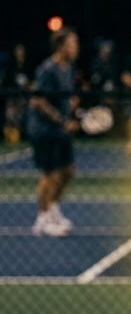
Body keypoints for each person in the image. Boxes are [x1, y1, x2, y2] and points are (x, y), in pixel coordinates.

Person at [26, 27, 80, 236]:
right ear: (60, 46)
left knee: (68, 171)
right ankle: (42, 218)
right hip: (44, 130)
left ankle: (53, 208)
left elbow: (67, 97)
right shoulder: (47, 70)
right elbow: (37, 100)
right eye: (72, 44)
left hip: (60, 129)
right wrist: (61, 120)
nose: (75, 48)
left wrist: (72, 109)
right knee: (50, 174)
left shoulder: (69, 68)